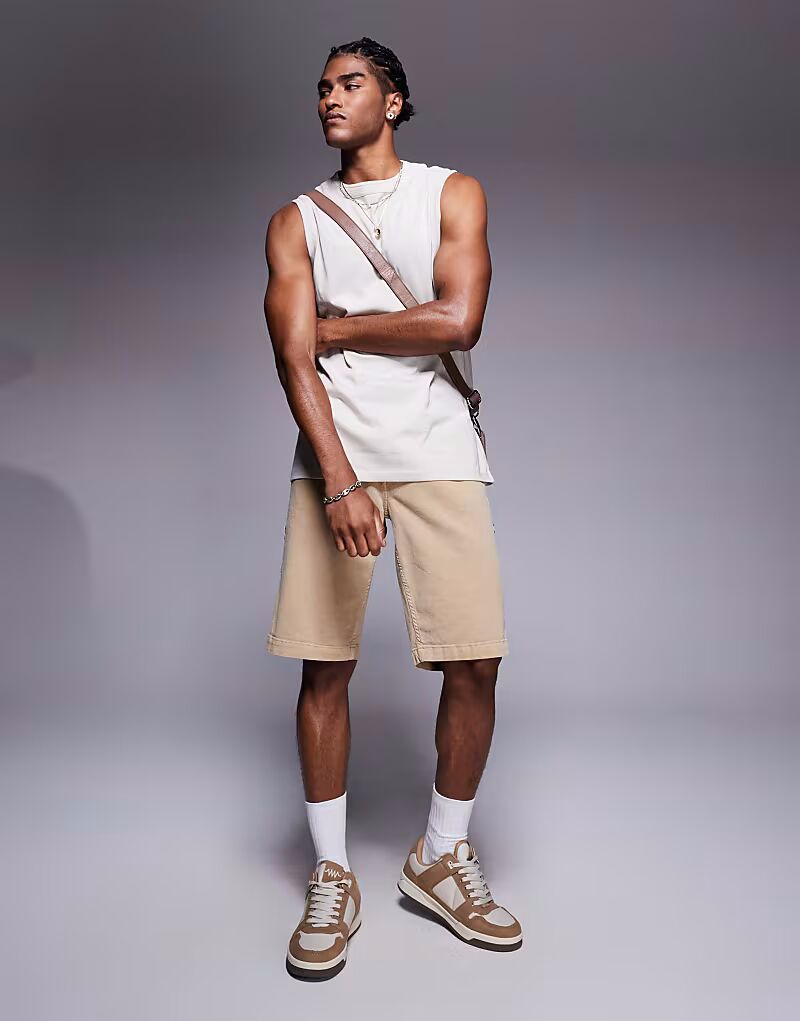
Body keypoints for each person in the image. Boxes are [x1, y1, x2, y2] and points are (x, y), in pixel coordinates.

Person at [263, 36, 521, 980]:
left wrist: (341, 329)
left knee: (476, 659)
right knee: (324, 663)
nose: (330, 99)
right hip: (338, 454)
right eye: (322, 88)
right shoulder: (295, 221)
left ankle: (440, 855)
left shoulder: (452, 193)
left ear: (394, 101)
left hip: (440, 447)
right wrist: (338, 477)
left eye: (351, 83)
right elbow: (293, 358)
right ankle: (331, 872)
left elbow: (459, 319)